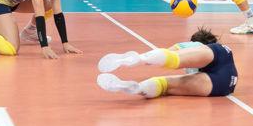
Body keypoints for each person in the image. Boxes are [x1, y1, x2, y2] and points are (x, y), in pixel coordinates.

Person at [97, 26, 237, 99]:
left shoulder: (199, 46)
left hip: (217, 59)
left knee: (174, 58)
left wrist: (148, 60)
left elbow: (170, 52)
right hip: (225, 86)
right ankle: (137, 88)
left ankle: (140, 58)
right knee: (165, 86)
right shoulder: (219, 49)